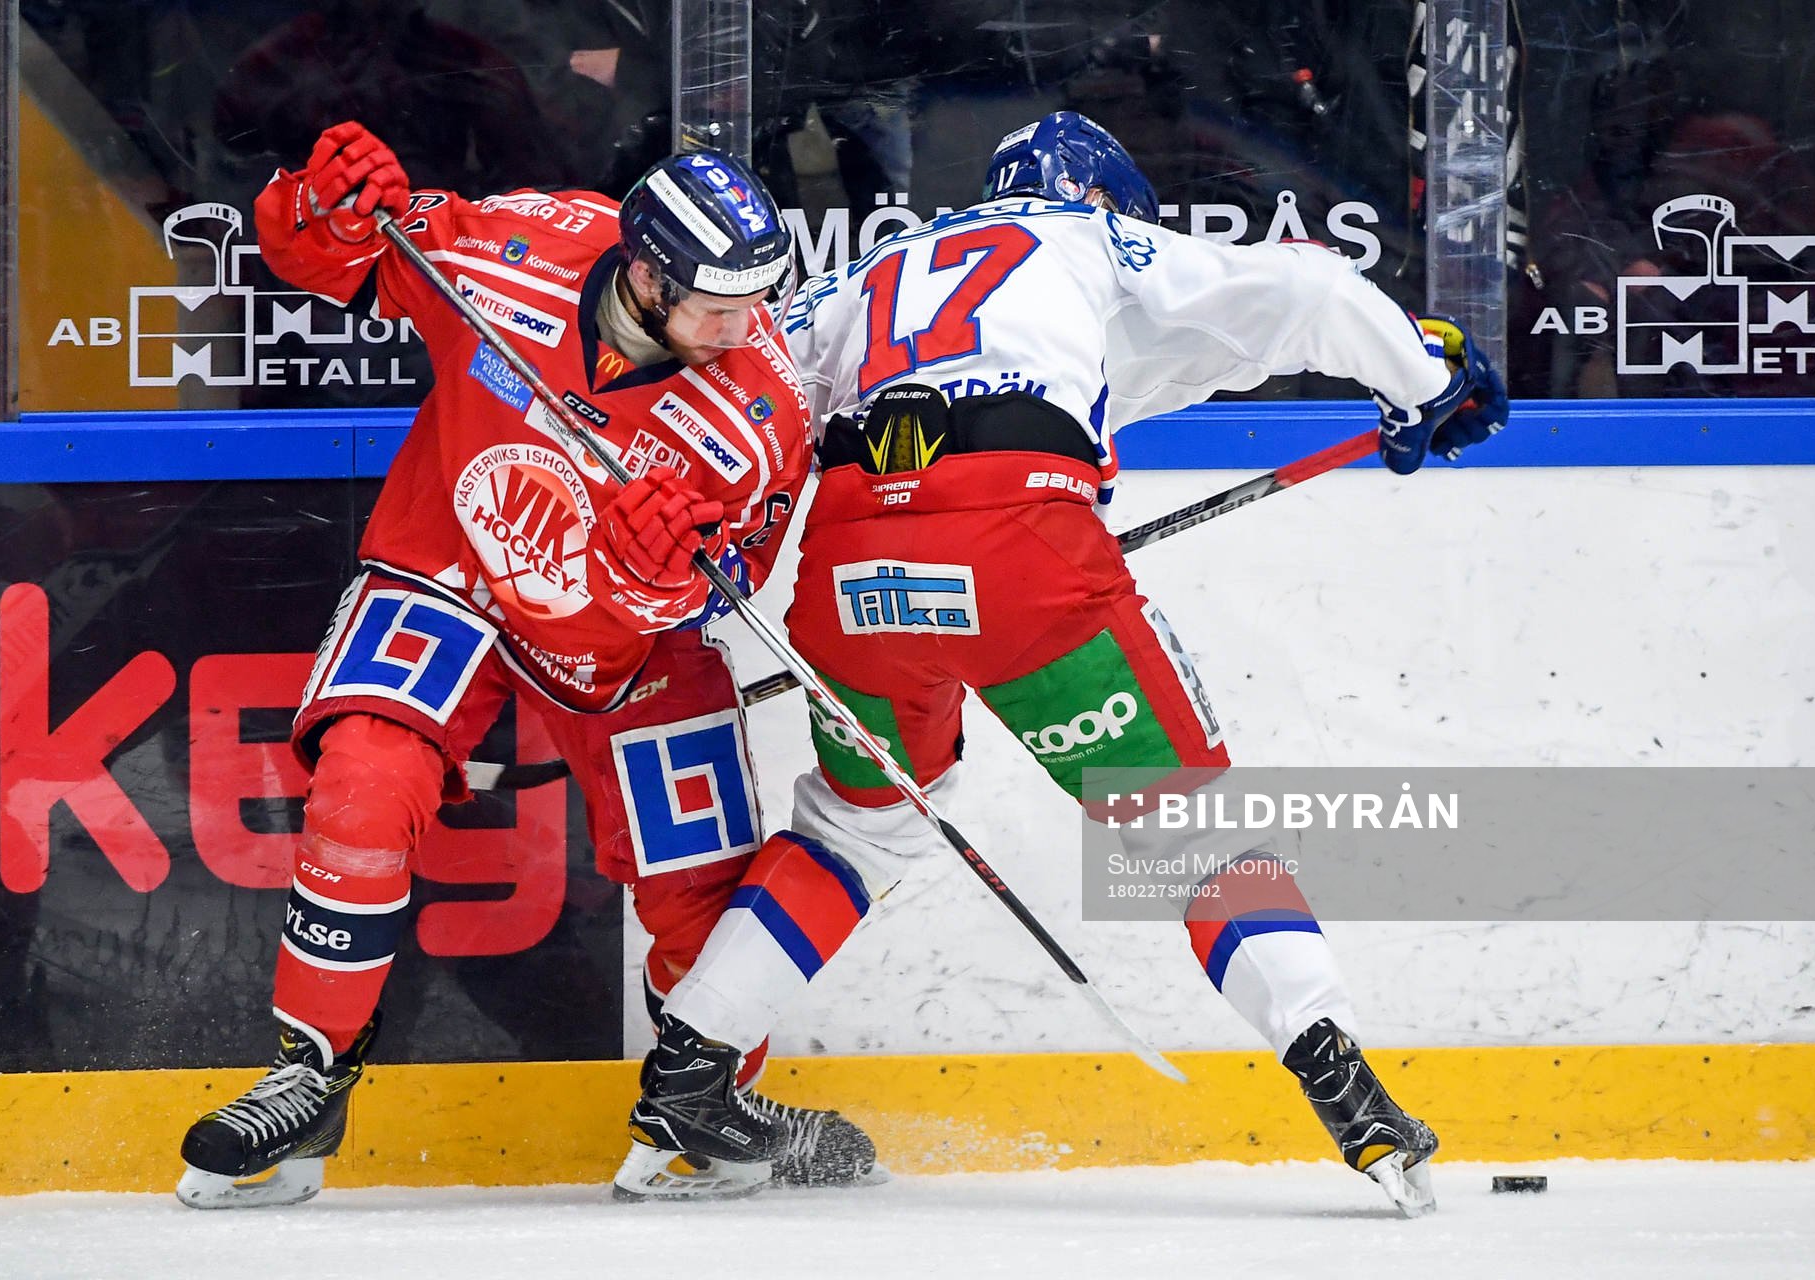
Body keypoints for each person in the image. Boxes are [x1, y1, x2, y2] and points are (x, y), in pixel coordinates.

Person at [615, 112, 1506, 1213]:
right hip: (1019, 549)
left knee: (858, 824)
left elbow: (748, 399)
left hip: (847, 564)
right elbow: (1307, 296)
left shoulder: (872, 273)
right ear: (1100, 199)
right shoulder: (1085, 239)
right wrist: (1423, 380)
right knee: (1189, 827)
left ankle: (687, 1077)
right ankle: (1348, 1087)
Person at [176, 121, 876, 1207]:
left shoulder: (758, 409)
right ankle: (307, 1076)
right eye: (715, 303)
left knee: (706, 894)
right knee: (363, 779)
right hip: (449, 565)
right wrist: (314, 206)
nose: (742, 326)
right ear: (643, 270)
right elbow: (337, 262)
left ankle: (703, 1108)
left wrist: (650, 579)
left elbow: (713, 588)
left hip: (627, 643)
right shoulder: (519, 244)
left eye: (755, 300)